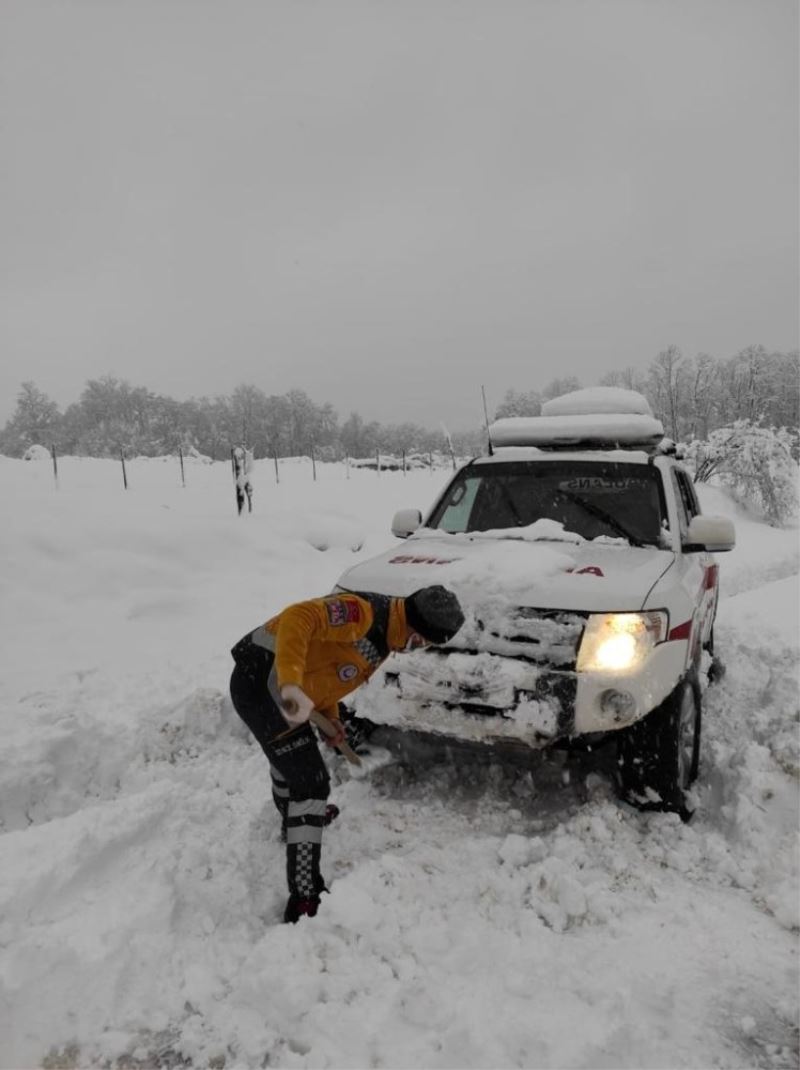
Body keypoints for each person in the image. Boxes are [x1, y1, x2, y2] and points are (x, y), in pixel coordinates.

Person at [229, 585, 465, 923]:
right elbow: (299, 616)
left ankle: (293, 821)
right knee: (310, 783)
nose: (416, 649)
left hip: (279, 690)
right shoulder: (362, 614)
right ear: (415, 628)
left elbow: (327, 670)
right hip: (262, 684)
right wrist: (290, 682)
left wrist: (331, 719)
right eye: (421, 642)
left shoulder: (389, 634)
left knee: (293, 761)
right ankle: (306, 897)